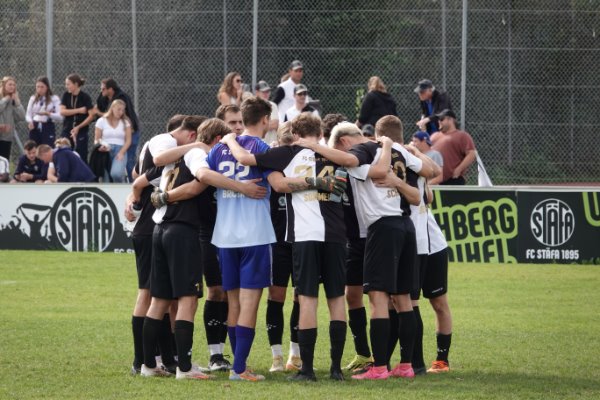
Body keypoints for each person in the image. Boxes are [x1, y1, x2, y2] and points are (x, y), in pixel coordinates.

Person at [221, 112, 349, 382]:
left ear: (297, 134)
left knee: (307, 300)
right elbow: (355, 161)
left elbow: (245, 159)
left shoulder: (288, 152)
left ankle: (308, 369)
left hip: (305, 235)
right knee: (337, 299)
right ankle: (336, 369)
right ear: (320, 133)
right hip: (337, 236)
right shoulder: (335, 154)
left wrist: (231, 139)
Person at [261, 122, 302, 373]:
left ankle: (294, 355)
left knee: (301, 297)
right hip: (276, 240)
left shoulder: (307, 161)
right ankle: (276, 356)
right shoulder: (270, 163)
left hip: (301, 239)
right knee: (276, 296)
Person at [96, 78, 140, 182]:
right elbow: (99, 107)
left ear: (110, 89)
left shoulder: (121, 98)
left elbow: (119, 116)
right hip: (112, 139)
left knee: (129, 161)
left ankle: (133, 184)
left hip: (130, 132)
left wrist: (98, 113)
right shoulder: (106, 98)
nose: (101, 91)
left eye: (103, 89)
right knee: (110, 170)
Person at [430, 109, 476, 185]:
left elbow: (471, 154)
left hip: (453, 179)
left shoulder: (462, 136)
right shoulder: (434, 136)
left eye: (441, 119)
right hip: (434, 180)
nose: (439, 122)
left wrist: (459, 169)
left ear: (450, 120)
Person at [94, 99, 132, 182]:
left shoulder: (125, 122)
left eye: (122, 110)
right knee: (106, 179)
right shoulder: (101, 121)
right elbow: (97, 140)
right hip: (105, 151)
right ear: (112, 108)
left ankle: (122, 185)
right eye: (119, 109)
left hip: (120, 150)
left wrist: (122, 152)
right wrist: (101, 146)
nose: (121, 112)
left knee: (116, 174)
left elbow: (128, 140)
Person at [59, 74, 95, 162]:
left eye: (68, 84)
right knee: (63, 152)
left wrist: (79, 127)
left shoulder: (85, 97)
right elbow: (62, 111)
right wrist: (78, 110)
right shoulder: (66, 95)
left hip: (81, 130)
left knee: (81, 155)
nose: (66, 86)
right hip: (67, 129)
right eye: (66, 84)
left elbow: (91, 116)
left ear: (75, 84)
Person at [25, 77, 63, 147]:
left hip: (48, 126)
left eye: (42, 87)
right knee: (33, 149)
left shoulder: (54, 98)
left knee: (47, 148)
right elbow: (28, 114)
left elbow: (60, 116)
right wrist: (30, 121)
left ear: (47, 87)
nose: (39, 89)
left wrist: (48, 114)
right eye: (38, 87)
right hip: (35, 126)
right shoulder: (33, 98)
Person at [0, 76, 26, 161]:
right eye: (10, 84)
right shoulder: (3, 99)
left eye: (14, 85)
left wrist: (17, 102)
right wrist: (5, 99)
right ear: (3, 85)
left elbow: (22, 117)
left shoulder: (13, 100)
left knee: (4, 162)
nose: (12, 87)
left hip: (6, 137)